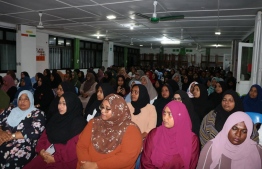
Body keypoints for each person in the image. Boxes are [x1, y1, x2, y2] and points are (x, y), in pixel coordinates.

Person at [76, 94, 142, 169]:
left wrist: (96, 165)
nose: (103, 111)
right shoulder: (94, 123)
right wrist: (87, 164)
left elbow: (127, 158)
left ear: (118, 110)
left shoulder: (131, 130)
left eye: (108, 108)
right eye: (102, 107)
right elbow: (81, 146)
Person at [23, 92, 86, 169]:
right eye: (59, 103)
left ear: (71, 105)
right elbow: (44, 136)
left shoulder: (78, 124)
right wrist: (41, 151)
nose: (60, 106)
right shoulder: (56, 118)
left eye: (64, 104)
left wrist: (55, 158)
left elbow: (72, 151)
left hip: (64, 161)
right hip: (46, 154)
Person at [140, 101, 200, 169]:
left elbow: (191, 165)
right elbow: (145, 162)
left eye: (170, 114)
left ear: (179, 116)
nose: (165, 118)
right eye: (164, 113)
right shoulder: (154, 134)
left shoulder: (192, 140)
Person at [197, 111, 262, 169]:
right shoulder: (211, 148)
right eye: (234, 128)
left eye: (244, 131)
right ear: (227, 127)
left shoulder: (257, 150)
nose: (238, 134)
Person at [0, 90, 45, 168]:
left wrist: (11, 136)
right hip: (2, 138)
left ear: (31, 100)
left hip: (23, 145)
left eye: (26, 99)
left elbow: (34, 132)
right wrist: (1, 132)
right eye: (20, 99)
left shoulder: (38, 114)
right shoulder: (10, 110)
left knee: (9, 165)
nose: (22, 101)